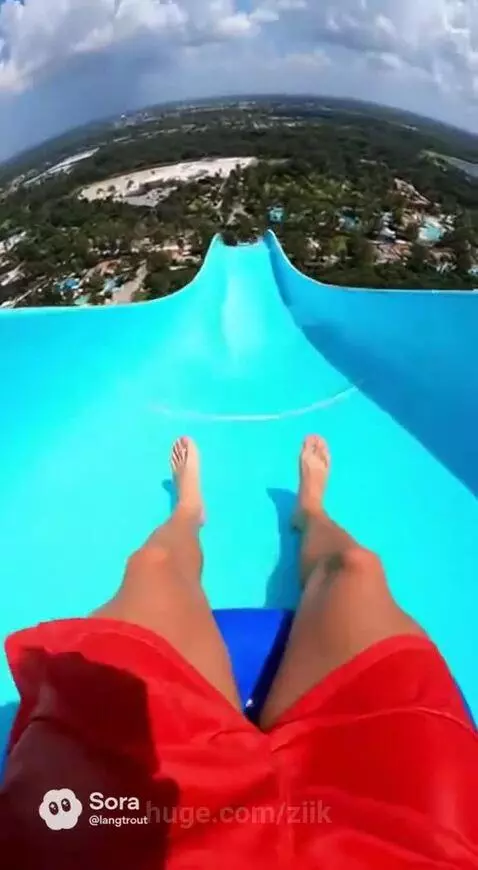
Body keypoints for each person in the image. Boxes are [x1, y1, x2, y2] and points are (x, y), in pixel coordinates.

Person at [1, 436, 477, 870]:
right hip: (407, 852)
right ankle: (264, 513)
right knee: (357, 570)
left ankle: (216, 515)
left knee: (153, 567)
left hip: (121, 843)